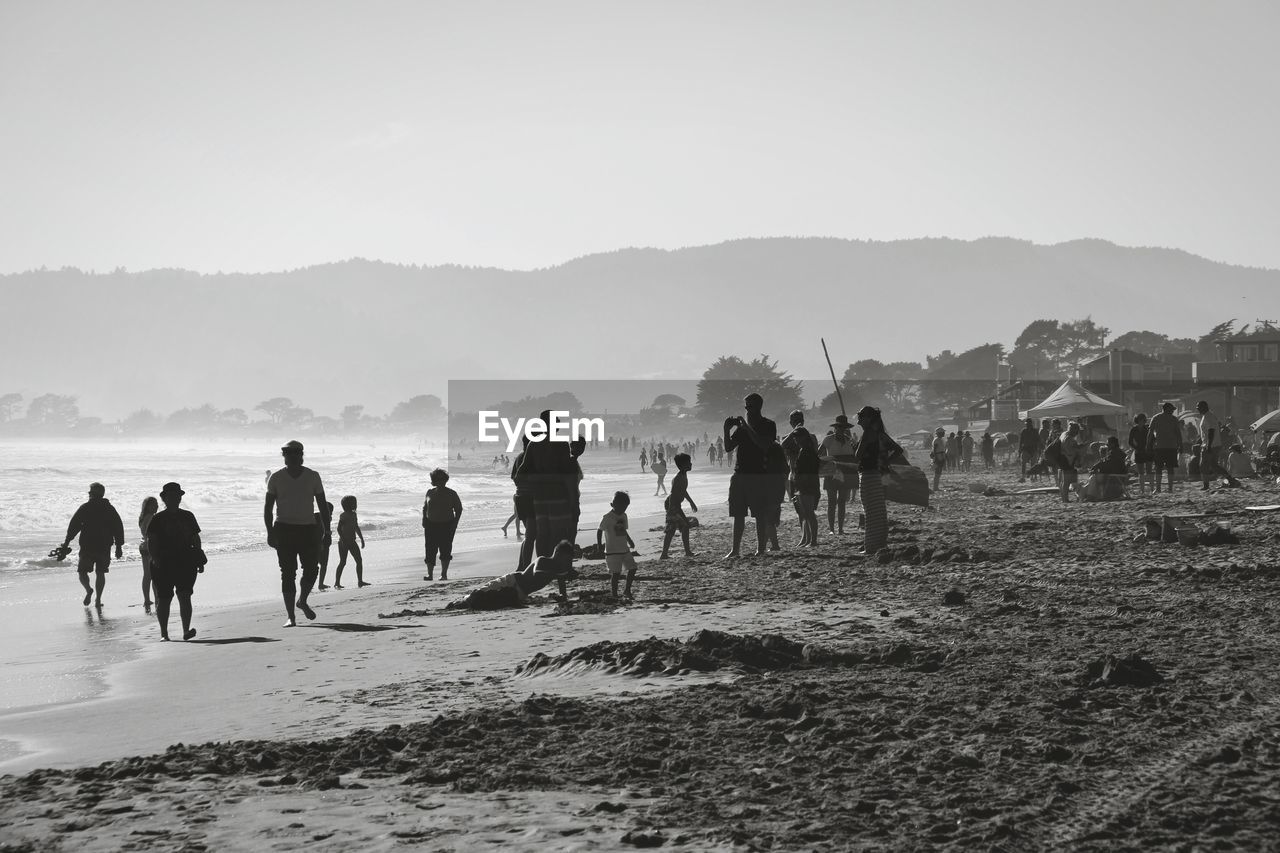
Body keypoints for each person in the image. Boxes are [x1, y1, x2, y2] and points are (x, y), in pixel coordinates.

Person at [265, 440, 329, 627]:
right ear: (284, 456)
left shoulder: (313, 476)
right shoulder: (276, 478)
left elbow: (322, 504)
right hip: (283, 529)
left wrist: (326, 528)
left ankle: (302, 600)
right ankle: (291, 616)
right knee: (288, 573)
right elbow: (268, 508)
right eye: (288, 453)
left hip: (308, 528)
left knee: (311, 569)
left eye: (295, 453)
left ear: (301, 455)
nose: (291, 456)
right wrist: (270, 532)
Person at [446, 540, 577, 610]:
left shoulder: (558, 570)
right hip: (511, 581)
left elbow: (562, 590)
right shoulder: (543, 560)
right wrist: (559, 574)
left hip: (519, 593)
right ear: (559, 554)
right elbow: (537, 574)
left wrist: (562, 596)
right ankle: (459, 601)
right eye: (567, 559)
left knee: (489, 602)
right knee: (480, 594)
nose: (567, 563)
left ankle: (463, 602)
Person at [146, 482, 203, 641]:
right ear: (164, 498)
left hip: (186, 561)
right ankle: (164, 634)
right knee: (164, 599)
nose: (175, 499)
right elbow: (152, 540)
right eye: (171, 496)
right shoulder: (157, 519)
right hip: (163, 563)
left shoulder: (188, 516)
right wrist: (155, 558)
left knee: (185, 596)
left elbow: (195, 538)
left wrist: (199, 560)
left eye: (177, 496)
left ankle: (186, 631)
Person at [723, 393, 778, 558]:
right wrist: (726, 429)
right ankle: (735, 550)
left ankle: (760, 549)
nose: (747, 409)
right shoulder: (741, 428)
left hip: (758, 475)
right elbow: (728, 448)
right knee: (738, 514)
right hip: (740, 474)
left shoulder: (768, 424)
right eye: (746, 406)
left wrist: (747, 428)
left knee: (759, 514)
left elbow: (764, 445)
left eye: (750, 406)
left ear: (759, 406)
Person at [61, 482, 125, 608]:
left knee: (82, 572)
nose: (89, 494)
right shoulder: (109, 509)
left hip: (88, 546)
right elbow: (118, 528)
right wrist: (119, 546)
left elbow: (74, 526)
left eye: (90, 492)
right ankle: (98, 600)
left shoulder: (85, 507)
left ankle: (89, 590)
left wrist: (67, 542)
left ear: (94, 494)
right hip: (104, 546)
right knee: (100, 573)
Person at [855, 406, 899, 556]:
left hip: (868, 475)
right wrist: (885, 462)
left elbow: (857, 455)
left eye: (861, 416)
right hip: (875, 475)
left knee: (870, 511)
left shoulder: (868, 433)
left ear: (868, 418)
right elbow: (897, 450)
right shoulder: (879, 434)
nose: (858, 418)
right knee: (877, 511)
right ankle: (877, 543)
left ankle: (871, 546)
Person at [819, 415, 858, 534]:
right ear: (836, 427)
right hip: (831, 473)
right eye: (839, 427)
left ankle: (840, 529)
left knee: (841, 501)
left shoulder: (849, 440)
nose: (841, 429)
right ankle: (831, 529)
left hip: (845, 473)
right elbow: (819, 453)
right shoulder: (828, 439)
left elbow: (854, 457)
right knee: (831, 501)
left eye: (843, 427)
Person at [423, 468, 463, 581]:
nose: (440, 481)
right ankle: (429, 574)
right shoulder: (430, 492)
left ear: (445, 480)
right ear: (434, 480)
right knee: (430, 550)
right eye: (437, 479)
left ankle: (443, 574)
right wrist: (424, 519)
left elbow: (459, 509)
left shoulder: (452, 493)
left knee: (445, 549)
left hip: (447, 525)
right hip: (431, 525)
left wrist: (455, 523)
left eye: (442, 479)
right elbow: (425, 507)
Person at [598, 491, 639, 597]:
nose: (623, 510)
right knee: (616, 573)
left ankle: (627, 590)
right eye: (621, 507)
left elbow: (623, 530)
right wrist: (599, 544)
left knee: (633, 568)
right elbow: (600, 530)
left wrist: (630, 541)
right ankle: (615, 594)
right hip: (612, 551)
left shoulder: (624, 516)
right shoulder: (607, 517)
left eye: (625, 507)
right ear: (613, 505)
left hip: (624, 549)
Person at [1196, 400, 1243, 489]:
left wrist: (1208, 446)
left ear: (1204, 407)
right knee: (1214, 466)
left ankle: (1206, 486)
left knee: (1203, 466)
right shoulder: (1208, 416)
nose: (1198, 410)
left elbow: (1211, 431)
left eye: (1199, 408)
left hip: (1210, 445)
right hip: (1214, 444)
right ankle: (1231, 480)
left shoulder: (1208, 417)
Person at [660, 454, 698, 559]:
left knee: (684, 527)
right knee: (671, 530)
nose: (691, 464)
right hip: (672, 505)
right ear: (682, 466)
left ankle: (687, 551)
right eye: (688, 462)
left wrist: (691, 502)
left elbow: (683, 491)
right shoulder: (678, 478)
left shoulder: (683, 476)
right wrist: (672, 511)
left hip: (676, 504)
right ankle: (664, 554)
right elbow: (673, 495)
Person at [1147, 402, 1182, 493]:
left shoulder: (1156, 418)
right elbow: (1178, 433)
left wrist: (1148, 445)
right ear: (1166, 409)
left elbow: (1150, 433)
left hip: (1162, 447)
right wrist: (1180, 444)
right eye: (1171, 410)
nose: (1173, 411)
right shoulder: (1173, 419)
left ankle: (1161, 488)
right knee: (1167, 468)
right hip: (1168, 447)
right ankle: (1166, 488)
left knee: (1160, 468)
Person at [333, 496, 368, 588]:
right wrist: (343, 540)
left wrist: (362, 539)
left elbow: (356, 527)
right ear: (348, 504)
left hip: (352, 541)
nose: (355, 504)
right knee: (343, 562)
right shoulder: (343, 515)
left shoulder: (354, 515)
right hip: (343, 543)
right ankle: (337, 582)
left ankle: (360, 581)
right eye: (353, 502)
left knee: (359, 560)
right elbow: (339, 529)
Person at [138, 496, 158, 613]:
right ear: (148, 506)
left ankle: (147, 599)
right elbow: (151, 534)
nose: (156, 506)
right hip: (150, 547)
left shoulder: (143, 517)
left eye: (156, 504)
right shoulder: (151, 518)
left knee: (147, 575)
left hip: (143, 546)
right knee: (153, 575)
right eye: (153, 504)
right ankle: (155, 598)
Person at [1058, 422, 1086, 503]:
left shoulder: (1064, 434)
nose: (1077, 433)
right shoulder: (1070, 439)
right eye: (1077, 430)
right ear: (1074, 430)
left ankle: (1065, 499)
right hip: (1068, 461)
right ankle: (1066, 500)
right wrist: (1083, 446)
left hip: (1062, 460)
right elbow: (1074, 450)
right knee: (1067, 482)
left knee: (1064, 482)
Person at [1127, 413, 1153, 495]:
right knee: (1141, 472)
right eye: (1139, 420)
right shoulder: (1134, 430)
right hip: (1139, 451)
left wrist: (1149, 447)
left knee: (1149, 471)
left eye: (1142, 420)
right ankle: (1142, 490)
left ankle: (1152, 488)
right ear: (1137, 421)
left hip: (1148, 451)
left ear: (1144, 420)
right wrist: (1136, 448)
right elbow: (1130, 442)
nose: (1141, 422)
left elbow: (1153, 439)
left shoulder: (1148, 428)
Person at [315, 501, 335, 590]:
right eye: (330, 511)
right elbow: (320, 531)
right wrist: (321, 543)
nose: (331, 514)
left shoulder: (317, 516)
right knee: (322, 564)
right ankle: (320, 584)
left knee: (316, 565)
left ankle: (316, 584)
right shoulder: (321, 517)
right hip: (321, 543)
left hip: (321, 543)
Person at [930, 428, 947, 493]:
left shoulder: (940, 439)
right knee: (937, 472)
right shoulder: (936, 440)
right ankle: (935, 487)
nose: (944, 433)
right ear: (939, 433)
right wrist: (936, 459)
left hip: (941, 456)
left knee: (939, 472)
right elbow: (935, 450)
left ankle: (936, 487)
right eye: (943, 432)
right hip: (938, 456)